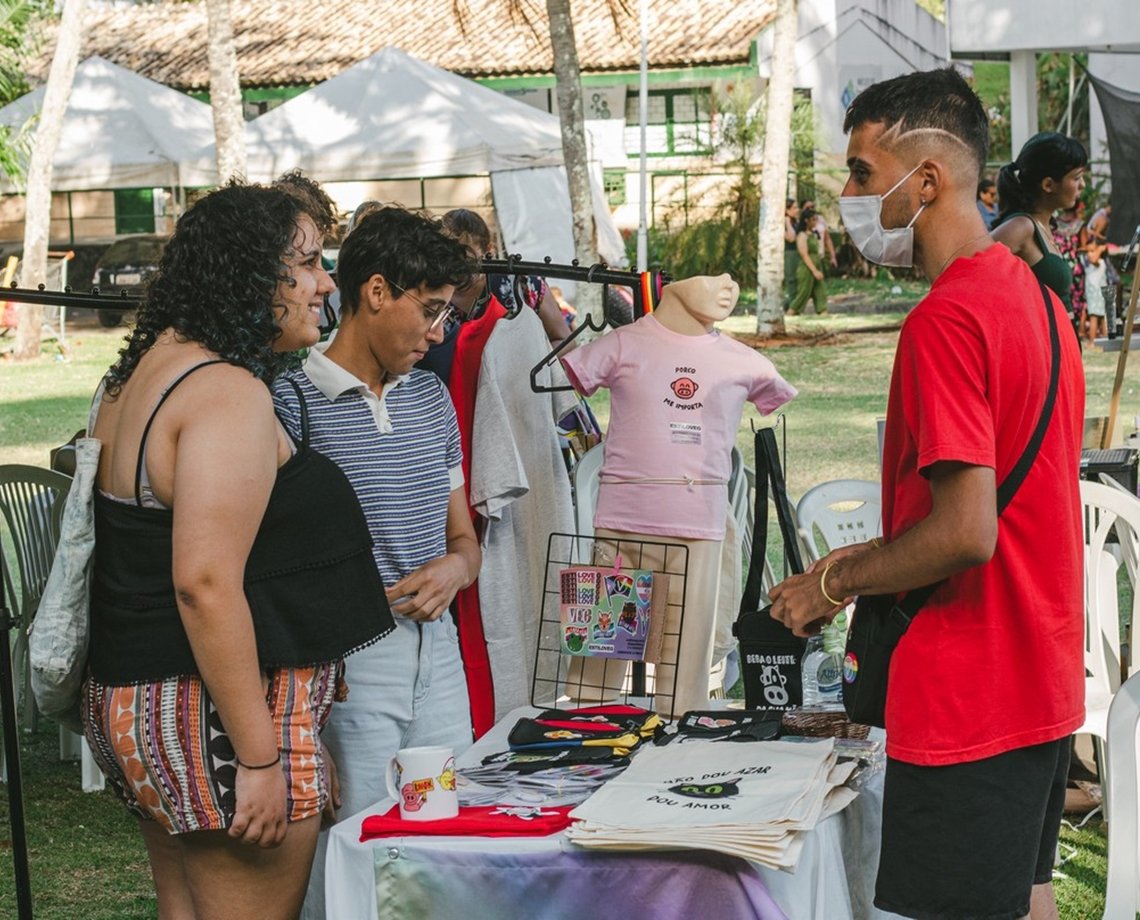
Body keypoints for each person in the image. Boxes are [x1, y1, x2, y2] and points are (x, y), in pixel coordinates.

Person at [769, 68, 1084, 920]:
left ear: (930, 179)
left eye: (864, 173)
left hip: (969, 688)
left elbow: (964, 532)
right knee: (1027, 899)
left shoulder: (947, 320)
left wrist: (832, 582)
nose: (848, 193)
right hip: (1040, 673)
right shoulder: (1037, 297)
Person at [83, 182, 395, 920]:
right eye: (310, 263)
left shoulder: (136, 375)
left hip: (144, 696)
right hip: (215, 713)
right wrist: (258, 757)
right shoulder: (223, 392)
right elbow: (204, 583)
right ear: (252, 274)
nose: (326, 282)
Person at [271, 206, 481, 920]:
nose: (438, 332)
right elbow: (273, 564)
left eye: (448, 314)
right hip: (351, 665)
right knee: (356, 846)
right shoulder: (292, 398)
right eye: (429, 310)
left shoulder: (430, 398)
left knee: (444, 840)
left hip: (438, 656)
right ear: (377, 291)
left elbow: (466, 542)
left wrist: (454, 571)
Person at [561, 273, 796, 716]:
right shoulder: (621, 345)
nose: (729, 284)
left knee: (683, 681)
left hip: (697, 532)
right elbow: (575, 374)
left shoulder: (744, 362)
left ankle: (674, 749)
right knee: (595, 677)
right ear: (669, 287)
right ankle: (586, 740)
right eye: (713, 279)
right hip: (619, 529)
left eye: (733, 279)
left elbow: (774, 397)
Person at [991, 130, 1088, 341]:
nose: (1083, 185)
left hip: (1061, 344)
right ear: (1048, 185)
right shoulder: (1021, 227)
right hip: (1044, 347)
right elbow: (967, 270)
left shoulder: (1044, 226)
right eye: (1077, 178)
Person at [787, 207, 828, 316]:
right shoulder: (802, 235)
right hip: (806, 268)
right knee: (804, 292)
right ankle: (792, 311)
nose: (815, 222)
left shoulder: (813, 234)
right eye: (813, 219)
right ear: (806, 221)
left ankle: (822, 311)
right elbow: (804, 254)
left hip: (816, 264)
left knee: (820, 290)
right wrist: (814, 271)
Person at [783, 198, 800, 307]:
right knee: (791, 280)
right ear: (787, 210)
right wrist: (787, 221)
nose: (797, 210)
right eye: (794, 208)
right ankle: (791, 304)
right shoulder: (782, 223)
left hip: (798, 252)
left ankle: (795, 304)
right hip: (790, 253)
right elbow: (791, 238)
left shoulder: (796, 221)